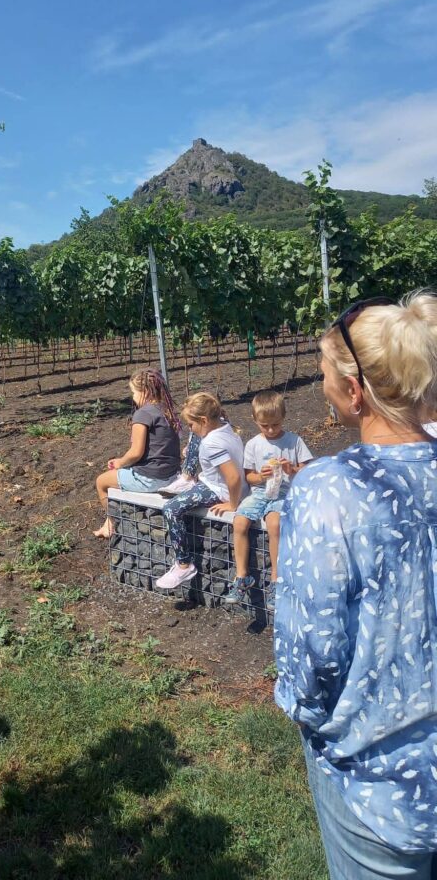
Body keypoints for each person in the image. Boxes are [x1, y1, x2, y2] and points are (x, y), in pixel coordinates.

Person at [274, 293, 437, 880]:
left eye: (322, 372)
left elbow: (313, 653)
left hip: (378, 786)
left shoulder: (328, 489)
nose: (320, 384)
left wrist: (306, 714)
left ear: (354, 390)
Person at [223, 390, 311, 610]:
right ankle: (242, 576)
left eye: (276, 424)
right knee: (239, 522)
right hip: (261, 492)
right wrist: (261, 476)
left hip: (284, 492)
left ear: (283, 417)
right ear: (255, 420)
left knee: (274, 524)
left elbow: (308, 471)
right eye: (265, 426)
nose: (271, 430)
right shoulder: (254, 444)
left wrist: (292, 469)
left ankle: (276, 580)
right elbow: (249, 477)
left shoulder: (294, 441)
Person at [156, 392, 245, 590]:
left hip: (219, 489)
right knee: (195, 439)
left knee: (171, 509)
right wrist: (192, 449)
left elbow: (233, 477)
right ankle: (187, 478)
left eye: (191, 424)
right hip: (224, 484)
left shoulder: (212, 444)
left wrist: (232, 504)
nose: (190, 429)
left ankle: (184, 565)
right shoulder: (224, 425)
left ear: (204, 420)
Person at [93, 369, 183, 538]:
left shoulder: (143, 414)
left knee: (101, 482)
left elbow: (136, 452)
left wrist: (120, 462)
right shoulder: (167, 410)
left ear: (146, 392)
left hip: (151, 479)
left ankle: (111, 523)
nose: (133, 397)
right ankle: (109, 522)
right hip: (172, 475)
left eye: (134, 392)